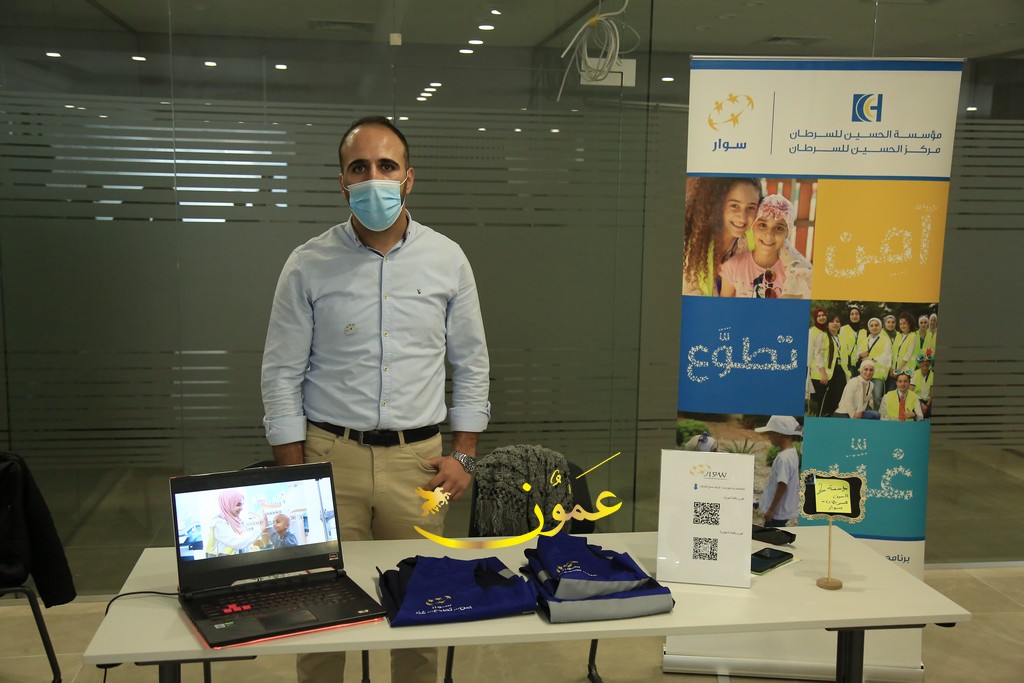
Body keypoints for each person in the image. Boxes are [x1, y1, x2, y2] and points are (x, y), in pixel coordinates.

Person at [260, 116, 491, 683]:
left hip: (420, 467)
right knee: (321, 610)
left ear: (408, 177)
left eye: (386, 166)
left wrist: (464, 455)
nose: (373, 178)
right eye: (359, 167)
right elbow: (281, 372)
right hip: (328, 459)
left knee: (423, 606)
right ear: (342, 181)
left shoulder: (448, 259)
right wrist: (295, 473)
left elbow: (471, 362)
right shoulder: (307, 264)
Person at [719, 194, 812, 298]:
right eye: (762, 225)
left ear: (787, 233)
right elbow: (723, 306)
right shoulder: (733, 267)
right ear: (752, 227)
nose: (769, 235)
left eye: (779, 228)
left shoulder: (794, 275)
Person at [682, 177, 761, 296]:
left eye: (751, 207)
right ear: (717, 205)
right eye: (734, 206)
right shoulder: (691, 243)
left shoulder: (757, 239)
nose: (743, 217)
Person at [754, 416, 802, 528]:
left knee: (770, 534)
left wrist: (771, 510)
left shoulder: (784, 459)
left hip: (777, 513)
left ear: (779, 434)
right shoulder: (791, 453)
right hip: (781, 511)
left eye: (770, 433)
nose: (769, 437)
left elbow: (782, 485)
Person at [810, 311, 847, 417]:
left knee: (837, 399)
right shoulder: (822, 336)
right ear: (827, 324)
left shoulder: (841, 338)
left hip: (839, 371)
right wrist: (823, 373)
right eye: (832, 321)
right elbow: (818, 355)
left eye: (837, 321)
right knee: (824, 402)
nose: (835, 323)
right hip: (824, 373)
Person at [208, 490, 267, 556]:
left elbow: (246, 547)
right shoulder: (218, 523)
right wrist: (260, 529)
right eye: (238, 505)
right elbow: (238, 542)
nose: (242, 508)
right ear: (228, 504)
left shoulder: (239, 522)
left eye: (242, 504)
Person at [856, 317, 891, 409]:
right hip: (865, 374)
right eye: (871, 326)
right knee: (863, 397)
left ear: (880, 326)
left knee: (877, 397)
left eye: (876, 325)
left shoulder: (885, 339)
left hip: (878, 374)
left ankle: (877, 415)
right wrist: (859, 355)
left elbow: (887, 357)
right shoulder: (865, 340)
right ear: (869, 327)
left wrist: (871, 359)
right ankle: (866, 414)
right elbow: (857, 353)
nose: (874, 327)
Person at [888, 311, 919, 391]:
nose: (902, 326)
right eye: (900, 324)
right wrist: (892, 368)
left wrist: (897, 371)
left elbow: (907, 356)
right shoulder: (899, 336)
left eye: (904, 323)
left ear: (909, 324)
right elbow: (893, 353)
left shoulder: (913, 336)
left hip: (905, 372)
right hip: (895, 371)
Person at [838, 306, 866, 379]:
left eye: (857, 314)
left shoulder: (864, 331)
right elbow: (842, 347)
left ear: (860, 316)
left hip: (860, 364)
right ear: (849, 316)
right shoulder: (843, 329)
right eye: (852, 314)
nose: (854, 316)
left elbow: (864, 347)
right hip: (847, 364)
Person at [911, 351, 935, 418]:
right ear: (919, 363)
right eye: (923, 361)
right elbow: (911, 392)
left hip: (928, 402)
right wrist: (920, 404)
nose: (925, 363)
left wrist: (927, 406)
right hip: (917, 400)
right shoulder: (915, 374)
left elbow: (932, 393)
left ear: (930, 363)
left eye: (927, 361)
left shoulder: (933, 375)